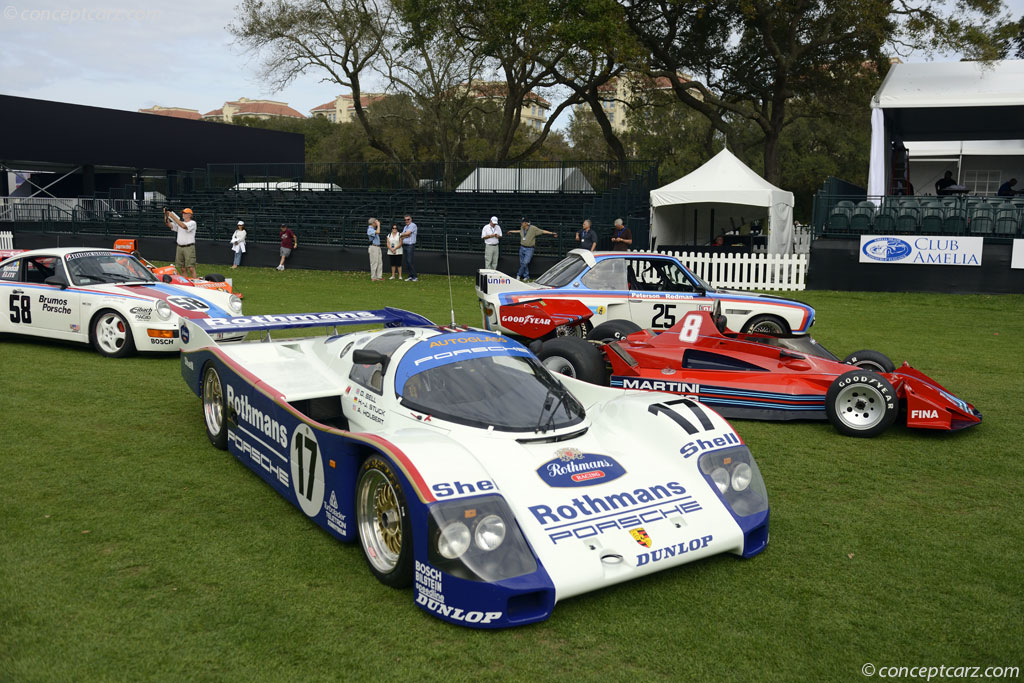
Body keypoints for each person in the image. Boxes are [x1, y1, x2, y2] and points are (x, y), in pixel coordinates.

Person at [164, 206, 198, 278]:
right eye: (183, 213)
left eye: (185, 213)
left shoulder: (192, 223)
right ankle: (186, 282)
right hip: (180, 247)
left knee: (191, 267)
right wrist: (166, 215)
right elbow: (168, 224)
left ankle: (195, 282)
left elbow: (183, 226)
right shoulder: (180, 223)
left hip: (188, 247)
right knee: (182, 268)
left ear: (190, 215)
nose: (183, 214)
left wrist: (173, 217)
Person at [400, 214, 418, 281]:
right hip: (405, 245)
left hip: (410, 245)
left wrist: (403, 234)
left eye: (408, 219)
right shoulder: (405, 226)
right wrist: (404, 235)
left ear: (411, 219)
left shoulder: (413, 225)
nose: (407, 221)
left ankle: (414, 276)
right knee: (407, 262)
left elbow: (407, 233)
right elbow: (404, 235)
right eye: (405, 220)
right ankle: (410, 275)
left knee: (409, 261)